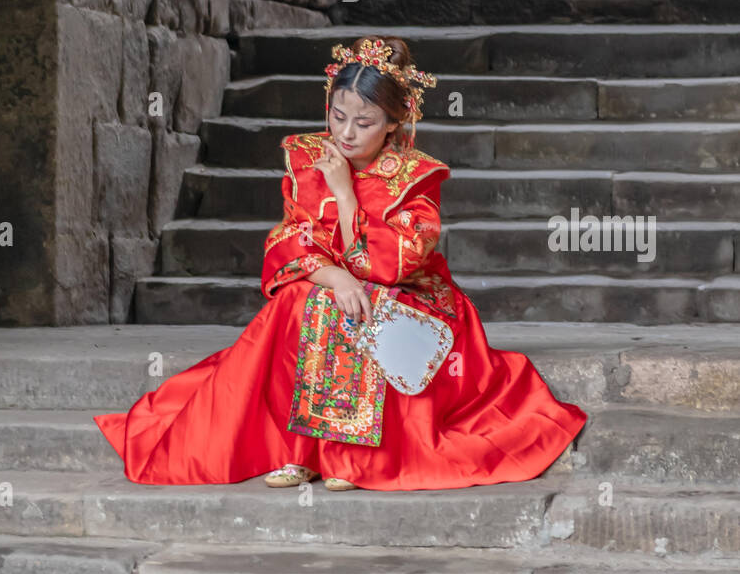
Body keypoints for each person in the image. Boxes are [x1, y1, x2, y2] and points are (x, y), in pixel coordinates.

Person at [93, 35, 587, 491]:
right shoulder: (308, 160)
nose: (345, 134)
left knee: (364, 305)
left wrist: (347, 197)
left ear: (394, 122)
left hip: (409, 293)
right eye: (337, 116)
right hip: (336, 284)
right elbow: (291, 241)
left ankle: (349, 453)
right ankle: (304, 448)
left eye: (365, 122)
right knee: (300, 302)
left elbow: (391, 263)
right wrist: (335, 276)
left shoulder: (415, 178)